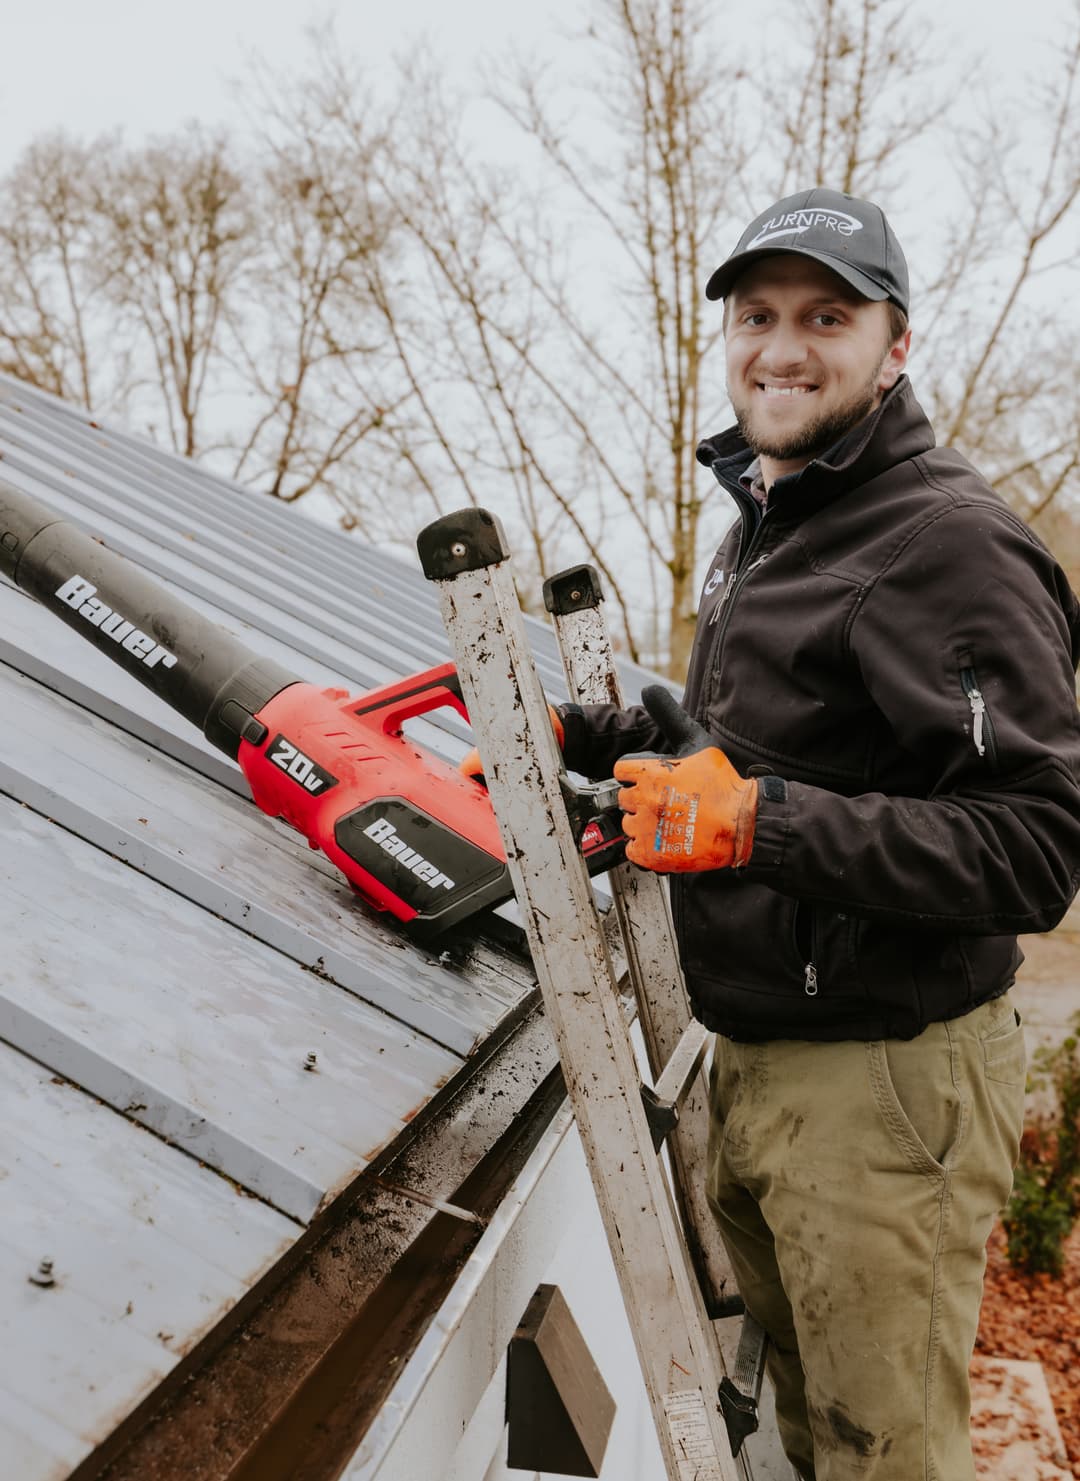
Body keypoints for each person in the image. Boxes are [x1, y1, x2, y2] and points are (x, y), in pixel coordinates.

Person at [556, 189, 1080, 1479]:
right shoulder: (769, 522)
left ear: (895, 347)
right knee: (814, 1438)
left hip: (884, 1083)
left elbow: (1034, 847)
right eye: (757, 315)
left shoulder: (947, 542)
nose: (781, 347)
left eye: (826, 317)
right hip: (770, 1061)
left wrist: (757, 827)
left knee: (885, 1458)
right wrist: (612, 746)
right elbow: (779, 751)